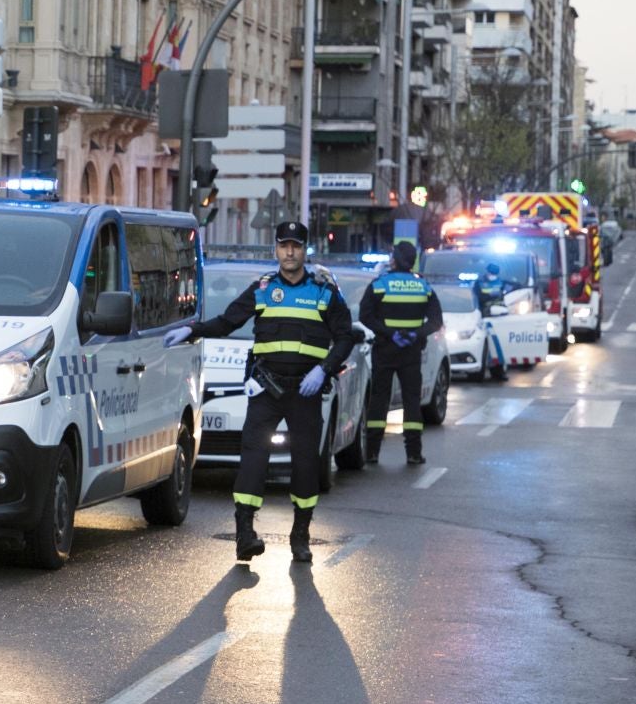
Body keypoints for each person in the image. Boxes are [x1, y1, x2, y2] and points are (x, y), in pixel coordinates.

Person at [165, 221, 353, 563]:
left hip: (305, 391)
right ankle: (245, 533)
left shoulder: (325, 291)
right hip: (267, 387)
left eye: (296, 245)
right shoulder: (263, 288)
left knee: (306, 464)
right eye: (284, 245)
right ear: (276, 249)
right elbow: (227, 322)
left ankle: (300, 534)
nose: (290, 252)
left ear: (305, 250)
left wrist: (323, 369)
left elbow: (345, 338)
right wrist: (192, 330)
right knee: (253, 459)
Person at [359, 240, 442, 466]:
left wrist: (388, 333)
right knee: (412, 401)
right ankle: (414, 453)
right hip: (411, 353)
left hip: (385, 350)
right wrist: (415, 334)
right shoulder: (423, 286)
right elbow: (436, 321)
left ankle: (372, 452)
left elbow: (365, 316)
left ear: (395, 259)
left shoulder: (380, 285)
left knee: (379, 400)